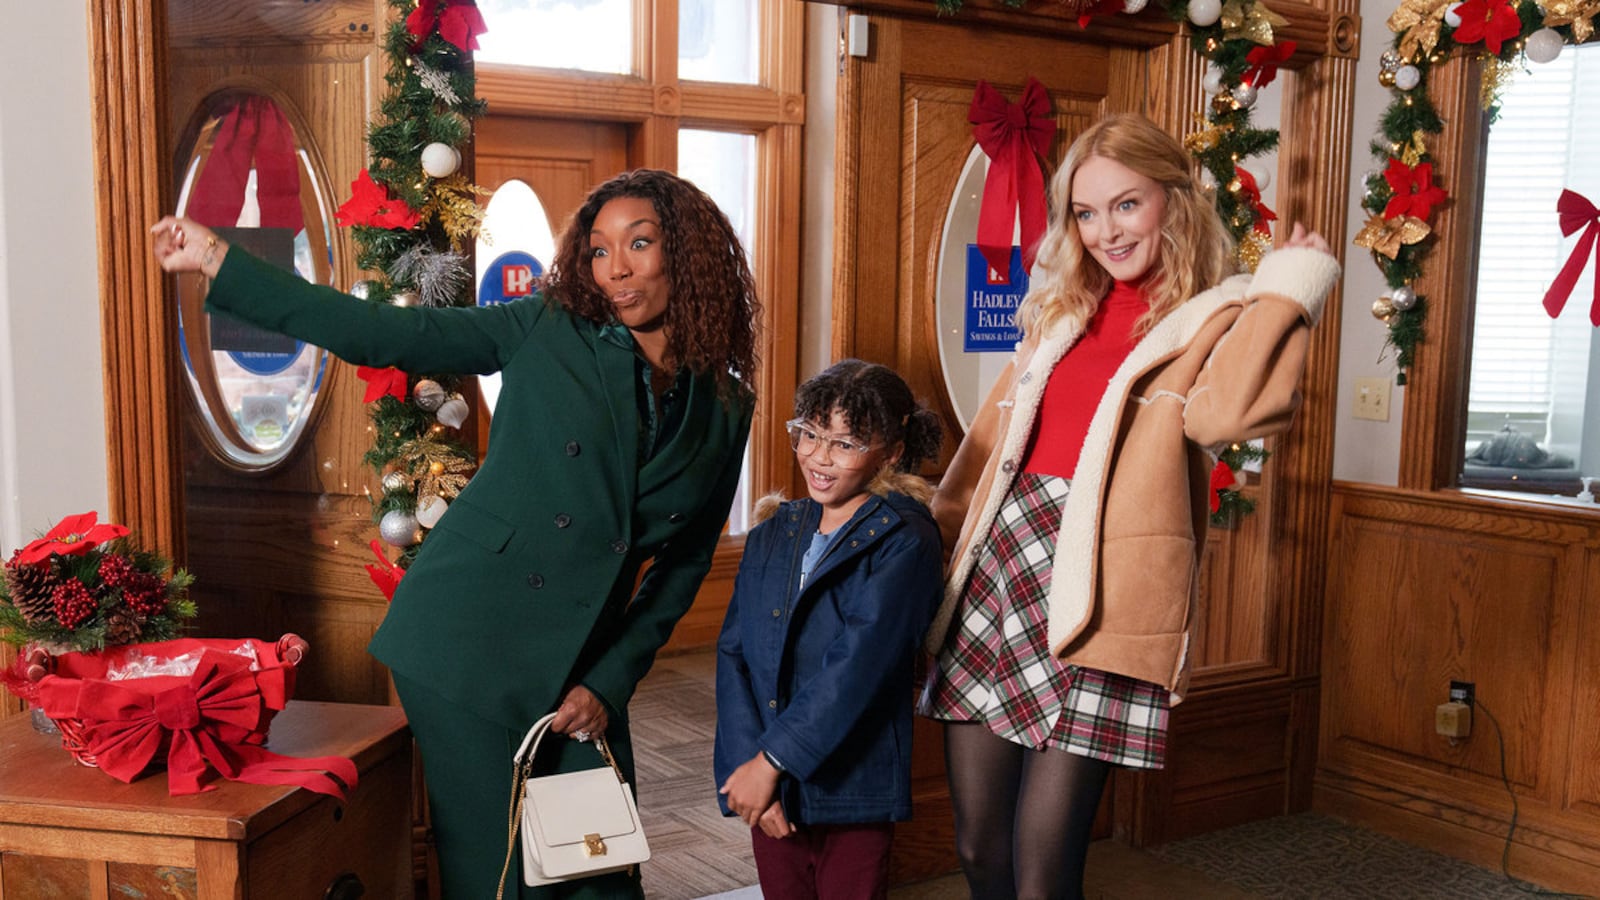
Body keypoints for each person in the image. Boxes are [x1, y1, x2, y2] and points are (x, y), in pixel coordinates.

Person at [151, 169, 760, 898]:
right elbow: (388, 334)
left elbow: (685, 562)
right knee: (501, 873)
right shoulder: (546, 325)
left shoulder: (725, 402)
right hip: (470, 636)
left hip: (582, 656)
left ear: (686, 254)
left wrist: (610, 677)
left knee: (597, 867)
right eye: (598, 250)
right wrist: (224, 262)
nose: (616, 269)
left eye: (639, 244)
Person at [917, 113, 1340, 899]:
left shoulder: (1212, 317)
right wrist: (939, 537)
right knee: (979, 849)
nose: (1105, 230)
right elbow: (989, 443)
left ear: (1172, 202)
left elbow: (1230, 417)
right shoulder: (1062, 308)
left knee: (1044, 873)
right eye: (1085, 211)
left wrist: (1291, 293)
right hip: (1001, 572)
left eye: (1126, 205)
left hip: (1106, 593)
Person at [715, 359, 945, 900]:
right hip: (768, 786)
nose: (819, 457)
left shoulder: (906, 540)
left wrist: (771, 762)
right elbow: (734, 654)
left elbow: (858, 669)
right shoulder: (775, 530)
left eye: (845, 443)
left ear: (890, 451)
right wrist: (752, 772)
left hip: (852, 788)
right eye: (810, 435)